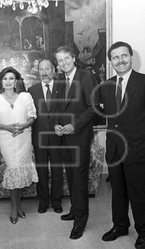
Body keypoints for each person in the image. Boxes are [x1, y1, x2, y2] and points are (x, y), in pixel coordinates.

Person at [99, 41, 145, 249]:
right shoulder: (106, 86)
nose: (120, 60)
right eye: (115, 57)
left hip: (137, 148)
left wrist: (140, 131)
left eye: (124, 56)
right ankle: (120, 226)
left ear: (131, 57)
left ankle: (144, 232)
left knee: (139, 192)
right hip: (115, 149)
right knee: (117, 191)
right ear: (111, 61)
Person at [53, 46, 99, 240]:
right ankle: (74, 209)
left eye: (66, 59)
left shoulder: (86, 76)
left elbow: (93, 108)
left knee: (79, 180)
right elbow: (57, 107)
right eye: (60, 60)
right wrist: (56, 124)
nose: (63, 63)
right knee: (71, 177)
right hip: (64, 137)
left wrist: (74, 126)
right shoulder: (60, 80)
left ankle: (80, 222)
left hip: (79, 136)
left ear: (73, 58)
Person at [0, 67, 38, 224]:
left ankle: (18, 206)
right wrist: (7, 127)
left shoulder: (25, 96)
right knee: (13, 170)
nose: (8, 81)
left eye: (11, 78)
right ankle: (14, 208)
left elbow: (32, 117)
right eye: (5, 78)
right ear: (1, 81)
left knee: (21, 172)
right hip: (7, 139)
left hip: (23, 139)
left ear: (16, 81)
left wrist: (23, 125)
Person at [28, 59, 64, 215]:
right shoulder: (32, 90)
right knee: (41, 171)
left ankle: (56, 202)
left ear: (53, 69)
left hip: (58, 137)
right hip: (39, 137)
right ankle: (43, 202)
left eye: (47, 69)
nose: (44, 72)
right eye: (41, 69)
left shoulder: (63, 88)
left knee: (57, 171)